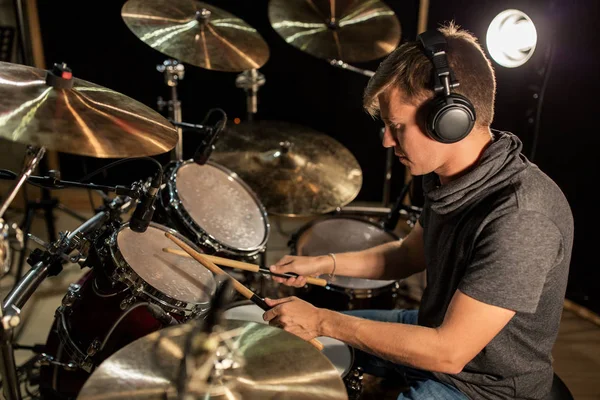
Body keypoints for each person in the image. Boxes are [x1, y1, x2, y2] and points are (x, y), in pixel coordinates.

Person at [262, 22, 574, 400]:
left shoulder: (522, 218)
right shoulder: (447, 176)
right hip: (431, 328)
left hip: (485, 386)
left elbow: (449, 352)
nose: (386, 139)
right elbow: (408, 254)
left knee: (318, 327)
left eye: (396, 126)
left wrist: (323, 319)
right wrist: (322, 264)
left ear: (450, 121)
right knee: (284, 341)